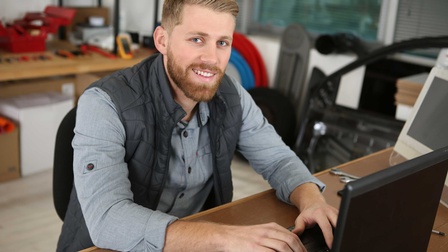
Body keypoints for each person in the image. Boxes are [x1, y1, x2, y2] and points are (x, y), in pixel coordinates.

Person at [57, 0, 338, 251]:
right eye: (196, 39)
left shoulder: (233, 95)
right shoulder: (103, 102)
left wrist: (311, 198)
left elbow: (277, 160)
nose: (212, 59)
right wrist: (225, 238)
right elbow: (108, 219)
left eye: (222, 43)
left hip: (197, 243)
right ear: (162, 40)